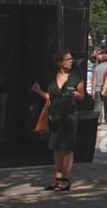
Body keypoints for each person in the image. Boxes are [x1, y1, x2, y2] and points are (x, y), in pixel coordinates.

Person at [30, 51, 85, 191]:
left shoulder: (76, 77)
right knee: (56, 147)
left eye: (71, 59)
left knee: (68, 148)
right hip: (55, 115)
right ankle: (58, 177)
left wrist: (76, 94)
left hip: (70, 115)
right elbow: (50, 96)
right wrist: (38, 91)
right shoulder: (52, 78)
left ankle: (65, 179)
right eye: (67, 60)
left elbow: (82, 96)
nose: (70, 62)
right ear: (59, 62)